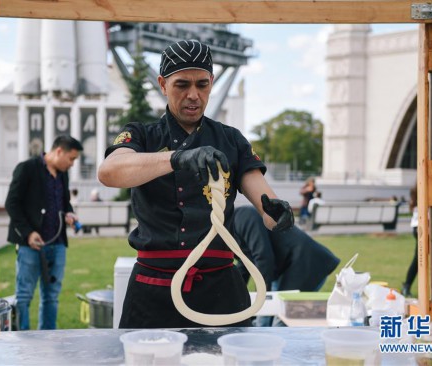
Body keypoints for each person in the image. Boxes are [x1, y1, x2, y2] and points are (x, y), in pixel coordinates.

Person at [98, 39, 294, 329]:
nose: (194, 95)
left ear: (212, 82)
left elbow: (262, 195)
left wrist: (275, 213)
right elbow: (110, 171)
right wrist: (177, 158)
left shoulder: (232, 139)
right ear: (163, 84)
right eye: (182, 85)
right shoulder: (141, 135)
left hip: (220, 288)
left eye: (202, 84)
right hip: (153, 288)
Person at [5, 135, 83, 330]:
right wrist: (28, 233)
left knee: (52, 297)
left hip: (57, 245)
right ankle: (21, 341)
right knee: (24, 296)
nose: (72, 164)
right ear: (59, 151)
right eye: (71, 159)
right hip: (30, 245)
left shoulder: (63, 173)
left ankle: (47, 341)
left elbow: (64, 202)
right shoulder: (27, 168)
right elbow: (11, 204)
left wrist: (69, 214)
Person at [233, 205, 340, 326]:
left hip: (305, 262)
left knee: (279, 324)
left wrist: (262, 296)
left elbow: (263, 257)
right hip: (283, 269)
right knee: (263, 323)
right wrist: (236, 294)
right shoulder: (229, 231)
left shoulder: (243, 216)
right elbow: (245, 262)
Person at [401, 185, 418, 297]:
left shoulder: (415, 189)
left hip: (417, 227)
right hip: (421, 227)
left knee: (417, 260)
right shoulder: (422, 188)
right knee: (418, 260)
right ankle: (406, 285)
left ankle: (406, 285)